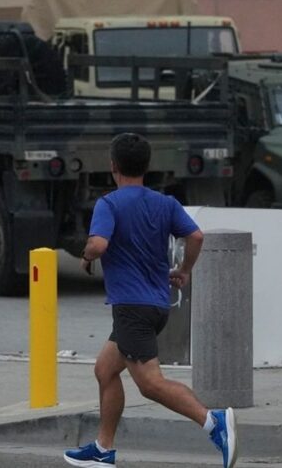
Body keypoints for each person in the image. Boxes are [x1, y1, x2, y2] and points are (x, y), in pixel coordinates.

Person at [63, 133, 238, 468]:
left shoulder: (109, 204)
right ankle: (103, 448)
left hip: (131, 308)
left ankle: (213, 422)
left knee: (150, 384)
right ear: (147, 166)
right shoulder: (165, 203)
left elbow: (98, 245)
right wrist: (184, 270)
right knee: (105, 370)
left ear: (113, 166)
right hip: (156, 305)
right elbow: (196, 236)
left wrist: (86, 255)